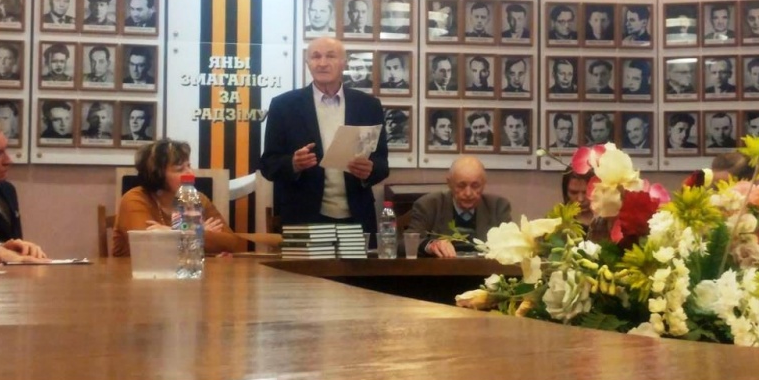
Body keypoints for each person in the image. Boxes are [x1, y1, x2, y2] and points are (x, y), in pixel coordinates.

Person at [259, 37, 389, 234]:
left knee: (358, 257)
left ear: (343, 63)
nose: (322, 63)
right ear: (307, 63)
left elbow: (382, 164)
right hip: (302, 216)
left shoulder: (368, 106)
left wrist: (369, 170)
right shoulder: (283, 106)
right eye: (315, 56)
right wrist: (293, 164)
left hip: (356, 216)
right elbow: (268, 165)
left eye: (330, 56)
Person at [113, 139, 248, 257]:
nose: (191, 173)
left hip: (185, 273)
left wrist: (171, 233)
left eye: (189, 166)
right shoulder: (134, 199)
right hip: (132, 275)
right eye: (179, 169)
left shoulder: (198, 198)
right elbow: (150, 247)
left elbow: (232, 243)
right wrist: (199, 234)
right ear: (157, 175)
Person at [406, 156, 511, 258]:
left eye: (475, 186)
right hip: (443, 268)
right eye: (461, 186)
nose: (468, 193)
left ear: (484, 184)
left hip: (485, 268)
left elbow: (512, 245)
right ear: (449, 183)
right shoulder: (429, 205)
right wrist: (430, 245)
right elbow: (405, 243)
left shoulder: (498, 206)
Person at [0, 114, 47, 258]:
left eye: (5, 150)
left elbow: (14, 243)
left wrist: (23, 249)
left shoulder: (7, 190)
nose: (8, 160)